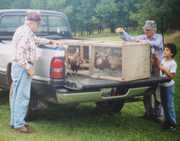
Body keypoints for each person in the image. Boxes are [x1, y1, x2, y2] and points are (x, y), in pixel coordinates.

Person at [10, 11, 60, 133]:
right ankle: (19, 125)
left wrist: (49, 41)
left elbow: (35, 40)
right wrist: (28, 68)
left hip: (18, 67)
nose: (39, 26)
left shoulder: (24, 30)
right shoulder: (25, 34)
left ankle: (15, 121)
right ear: (32, 23)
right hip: (22, 67)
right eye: (38, 24)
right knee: (22, 96)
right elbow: (19, 55)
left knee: (16, 95)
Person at [116, 20, 164, 120]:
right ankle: (148, 113)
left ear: (154, 30)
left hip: (158, 67)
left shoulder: (159, 37)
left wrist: (143, 41)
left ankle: (159, 114)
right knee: (147, 89)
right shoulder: (143, 37)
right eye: (145, 30)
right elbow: (130, 39)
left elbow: (155, 44)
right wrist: (122, 32)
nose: (146, 32)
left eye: (148, 30)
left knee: (158, 91)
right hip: (146, 67)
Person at [159, 43, 177, 131]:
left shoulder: (173, 63)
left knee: (169, 105)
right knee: (163, 104)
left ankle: (173, 123)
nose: (164, 51)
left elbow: (172, 76)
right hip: (161, 85)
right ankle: (166, 121)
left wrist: (164, 70)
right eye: (164, 49)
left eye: (167, 50)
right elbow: (159, 68)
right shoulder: (163, 60)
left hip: (168, 87)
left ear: (172, 53)